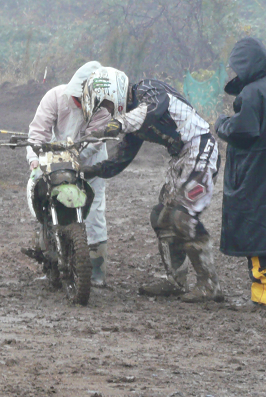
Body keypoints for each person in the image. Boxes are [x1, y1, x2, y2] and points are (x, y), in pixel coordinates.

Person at [80, 67, 223, 303]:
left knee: (182, 217)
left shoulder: (147, 89)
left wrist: (120, 122)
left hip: (201, 146)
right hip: (182, 156)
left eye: (104, 105)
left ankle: (209, 284)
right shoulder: (135, 119)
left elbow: (155, 108)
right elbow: (119, 161)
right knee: (161, 216)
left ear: (113, 92)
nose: (106, 113)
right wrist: (92, 170)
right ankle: (175, 280)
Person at [214, 37, 266, 311]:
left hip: (254, 179)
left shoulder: (251, 94)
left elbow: (243, 130)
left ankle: (262, 299)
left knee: (256, 236)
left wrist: (222, 123)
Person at [25, 61, 111, 286]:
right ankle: (48, 254)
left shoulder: (103, 107)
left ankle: (96, 269)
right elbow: (38, 131)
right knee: (39, 195)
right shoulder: (54, 97)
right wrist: (34, 158)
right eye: (77, 99)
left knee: (94, 210)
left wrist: (76, 157)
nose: (79, 103)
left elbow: (96, 138)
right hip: (55, 157)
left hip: (90, 161)